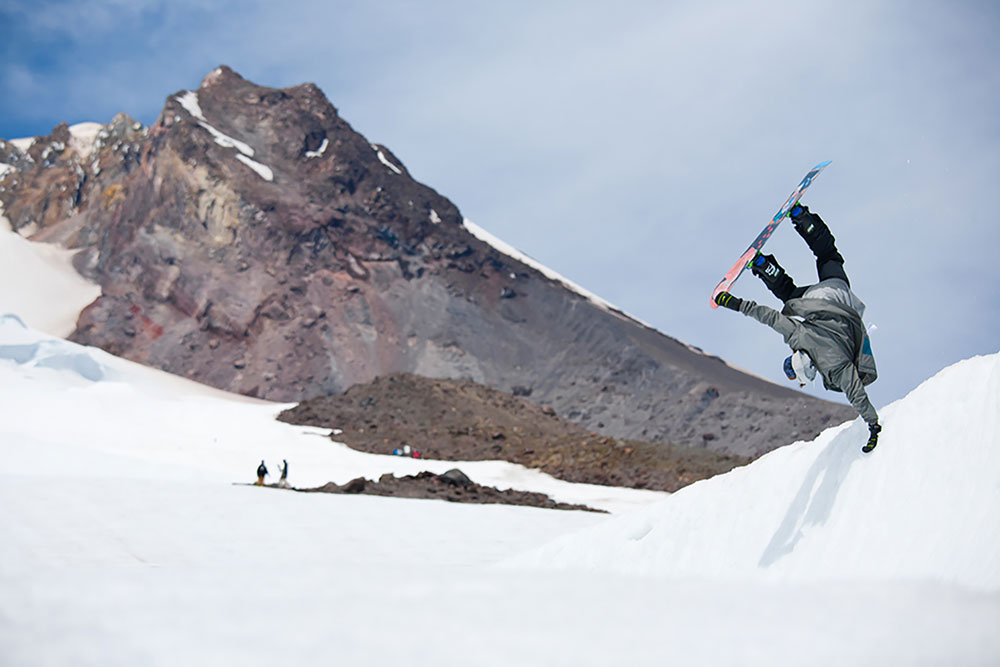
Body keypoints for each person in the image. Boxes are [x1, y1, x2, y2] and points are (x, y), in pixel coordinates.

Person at [714, 202, 881, 452]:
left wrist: (873, 424)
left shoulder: (837, 368)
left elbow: (858, 395)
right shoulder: (801, 339)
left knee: (827, 258)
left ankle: (800, 217)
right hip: (821, 300)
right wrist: (733, 303)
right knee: (792, 291)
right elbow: (767, 316)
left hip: (835, 296)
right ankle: (762, 262)